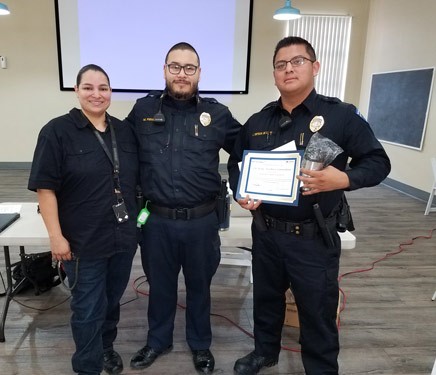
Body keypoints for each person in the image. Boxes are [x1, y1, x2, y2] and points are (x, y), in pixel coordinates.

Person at [228, 36, 391, 375]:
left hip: (314, 237)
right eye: (280, 64)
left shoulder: (340, 116)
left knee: (317, 309)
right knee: (267, 301)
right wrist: (240, 192)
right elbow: (235, 162)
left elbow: (378, 162)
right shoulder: (259, 121)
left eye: (297, 61)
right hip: (267, 232)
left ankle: (320, 367)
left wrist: (343, 179)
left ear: (315, 67)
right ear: (274, 74)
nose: (288, 69)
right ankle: (264, 352)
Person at [125, 42, 242, 374]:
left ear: (199, 73)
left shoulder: (217, 114)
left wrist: (245, 182)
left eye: (189, 68)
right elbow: (120, 150)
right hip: (156, 220)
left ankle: (200, 345)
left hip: (201, 221)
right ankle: (158, 341)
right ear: (164, 70)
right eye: (174, 67)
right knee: (159, 286)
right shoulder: (142, 110)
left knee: (200, 287)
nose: (181, 74)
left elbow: (246, 150)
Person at [28, 64, 139, 375]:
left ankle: (106, 348)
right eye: (88, 87)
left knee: (112, 300)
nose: (96, 94)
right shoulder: (56, 132)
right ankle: (87, 366)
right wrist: (55, 237)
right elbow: (45, 188)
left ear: (110, 93)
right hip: (81, 241)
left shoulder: (124, 131)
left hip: (122, 237)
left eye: (103, 88)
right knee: (87, 308)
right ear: (76, 91)